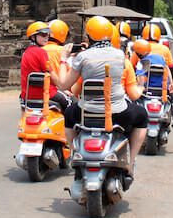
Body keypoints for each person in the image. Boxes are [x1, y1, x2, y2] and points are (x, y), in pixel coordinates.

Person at [54, 15, 148, 183]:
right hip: (117, 113)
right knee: (142, 116)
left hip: (86, 113)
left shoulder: (83, 57)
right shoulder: (120, 56)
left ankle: (75, 153)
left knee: (68, 114)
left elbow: (63, 84)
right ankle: (131, 162)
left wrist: (63, 59)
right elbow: (132, 92)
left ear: (88, 36)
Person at [18, 20, 70, 113]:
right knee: (71, 103)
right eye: (43, 35)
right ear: (33, 37)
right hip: (44, 93)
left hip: (27, 95)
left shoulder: (26, 52)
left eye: (48, 35)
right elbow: (52, 74)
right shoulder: (41, 52)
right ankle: (66, 127)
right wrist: (62, 87)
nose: (46, 37)